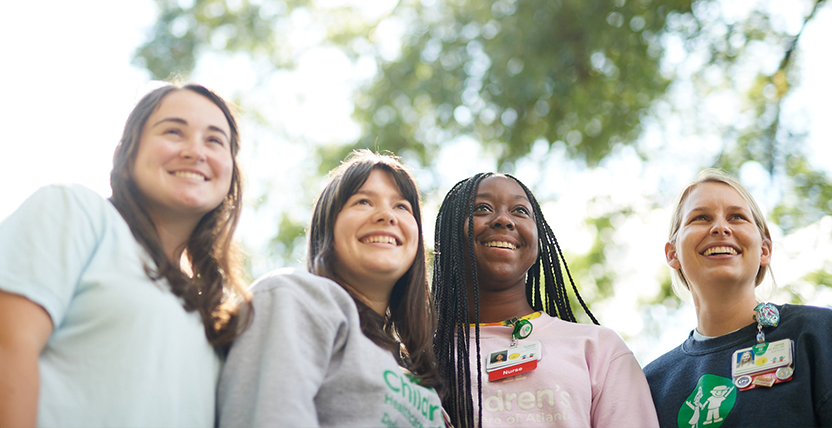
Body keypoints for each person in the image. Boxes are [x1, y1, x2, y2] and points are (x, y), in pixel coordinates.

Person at [0, 83, 251, 427]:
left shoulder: (213, 312)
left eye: (214, 140)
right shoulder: (75, 211)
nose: (196, 151)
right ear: (126, 154)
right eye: (174, 131)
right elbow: (8, 345)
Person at [218, 150, 446, 427]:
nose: (387, 215)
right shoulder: (292, 298)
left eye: (401, 206)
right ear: (327, 226)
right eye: (363, 201)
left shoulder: (416, 368)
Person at [432, 172, 659, 427]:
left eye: (520, 211)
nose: (504, 219)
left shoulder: (599, 348)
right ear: (448, 234)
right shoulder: (421, 359)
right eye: (482, 208)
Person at [643, 168, 832, 427]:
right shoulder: (650, 385)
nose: (720, 227)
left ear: (764, 250)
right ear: (672, 253)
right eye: (700, 217)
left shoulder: (818, 334)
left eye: (737, 217)